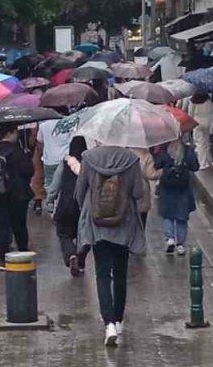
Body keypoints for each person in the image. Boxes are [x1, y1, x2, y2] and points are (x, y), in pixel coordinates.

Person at [76, 145, 147, 348]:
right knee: (120, 274)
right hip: (123, 224)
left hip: (98, 225)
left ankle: (108, 324)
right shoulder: (131, 159)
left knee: (102, 275)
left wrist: (90, 209)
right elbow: (137, 193)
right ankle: (118, 319)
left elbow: (80, 192)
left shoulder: (89, 158)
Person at [0, 125, 35, 265]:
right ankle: (23, 253)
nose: (17, 135)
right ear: (10, 132)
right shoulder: (17, 151)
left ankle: (3, 258)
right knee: (19, 226)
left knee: (1, 227)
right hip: (17, 195)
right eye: (15, 132)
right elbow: (29, 171)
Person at [49, 136, 90, 276]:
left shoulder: (66, 163)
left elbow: (55, 185)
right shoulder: (90, 163)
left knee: (64, 234)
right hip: (84, 206)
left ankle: (71, 255)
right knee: (84, 235)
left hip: (66, 205)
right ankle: (81, 260)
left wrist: (50, 199)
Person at [155, 141, 199, 255]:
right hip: (183, 188)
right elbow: (195, 166)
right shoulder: (187, 150)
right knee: (181, 216)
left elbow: (157, 164)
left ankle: (169, 238)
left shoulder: (164, 149)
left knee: (167, 214)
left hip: (167, 187)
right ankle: (180, 244)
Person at [35, 109, 74, 214]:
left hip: (49, 159)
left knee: (49, 182)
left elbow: (39, 142)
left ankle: (51, 203)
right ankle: (62, 204)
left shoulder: (43, 125)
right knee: (64, 182)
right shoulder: (70, 122)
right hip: (66, 158)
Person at [181, 93, 213, 169]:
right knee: (206, 142)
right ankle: (206, 161)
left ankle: (202, 163)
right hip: (208, 122)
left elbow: (190, 113)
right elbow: (212, 111)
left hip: (197, 122)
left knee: (199, 143)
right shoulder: (209, 100)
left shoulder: (193, 100)